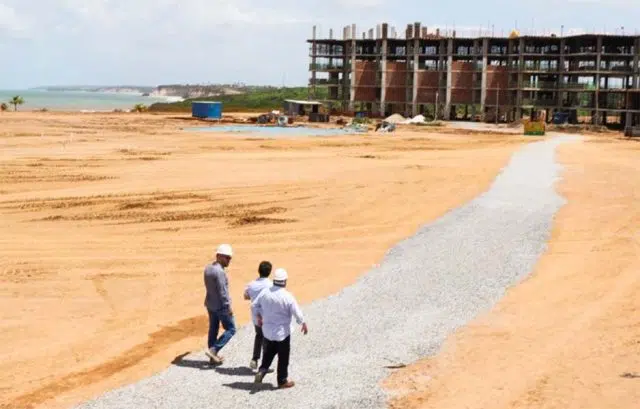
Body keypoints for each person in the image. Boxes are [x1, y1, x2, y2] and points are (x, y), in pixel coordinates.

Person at [252, 268, 308, 388]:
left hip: (267, 331)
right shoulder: (287, 296)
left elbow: (254, 305)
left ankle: (262, 371)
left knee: (268, 353)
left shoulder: (265, 292)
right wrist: (302, 322)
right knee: (283, 357)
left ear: (274, 280)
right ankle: (282, 381)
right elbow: (296, 312)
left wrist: (258, 316)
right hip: (282, 333)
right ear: (285, 281)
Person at [203, 244, 236, 364]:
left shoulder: (208, 268)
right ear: (219, 256)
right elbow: (223, 292)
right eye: (226, 258)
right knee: (231, 329)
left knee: (213, 329)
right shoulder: (220, 272)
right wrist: (228, 307)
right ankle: (214, 350)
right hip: (221, 306)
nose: (229, 260)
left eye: (229, 258)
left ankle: (212, 358)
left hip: (210, 304)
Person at [243, 261, 273, 370]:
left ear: (258, 271)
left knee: (259, 336)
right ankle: (264, 366)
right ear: (269, 272)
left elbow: (246, 296)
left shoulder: (251, 284)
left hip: (255, 316)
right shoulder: (271, 285)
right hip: (267, 317)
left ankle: (255, 359)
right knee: (267, 340)